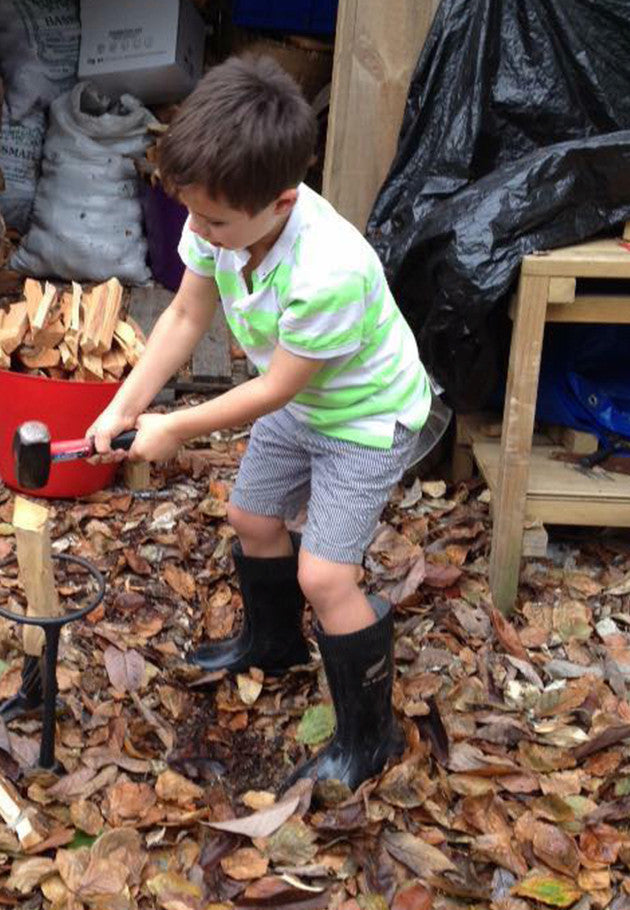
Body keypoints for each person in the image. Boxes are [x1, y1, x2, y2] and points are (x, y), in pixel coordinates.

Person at [87, 56, 431, 793]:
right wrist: (125, 403)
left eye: (213, 220)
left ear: (280, 201)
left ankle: (368, 738)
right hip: (300, 402)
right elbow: (184, 314)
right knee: (250, 515)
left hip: (363, 418)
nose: (198, 231)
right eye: (192, 212)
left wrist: (175, 428)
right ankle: (274, 646)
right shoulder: (218, 224)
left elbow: (273, 388)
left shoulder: (329, 268)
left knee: (327, 575)